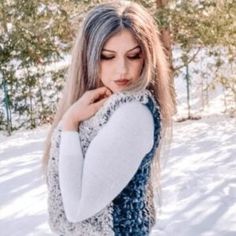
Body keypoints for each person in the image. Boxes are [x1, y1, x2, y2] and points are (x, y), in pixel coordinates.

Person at [42, 1, 175, 235]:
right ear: (88, 57)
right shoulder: (107, 107)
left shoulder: (132, 114)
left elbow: (77, 208)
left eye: (133, 55)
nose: (121, 70)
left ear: (147, 57)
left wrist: (70, 124)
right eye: (107, 56)